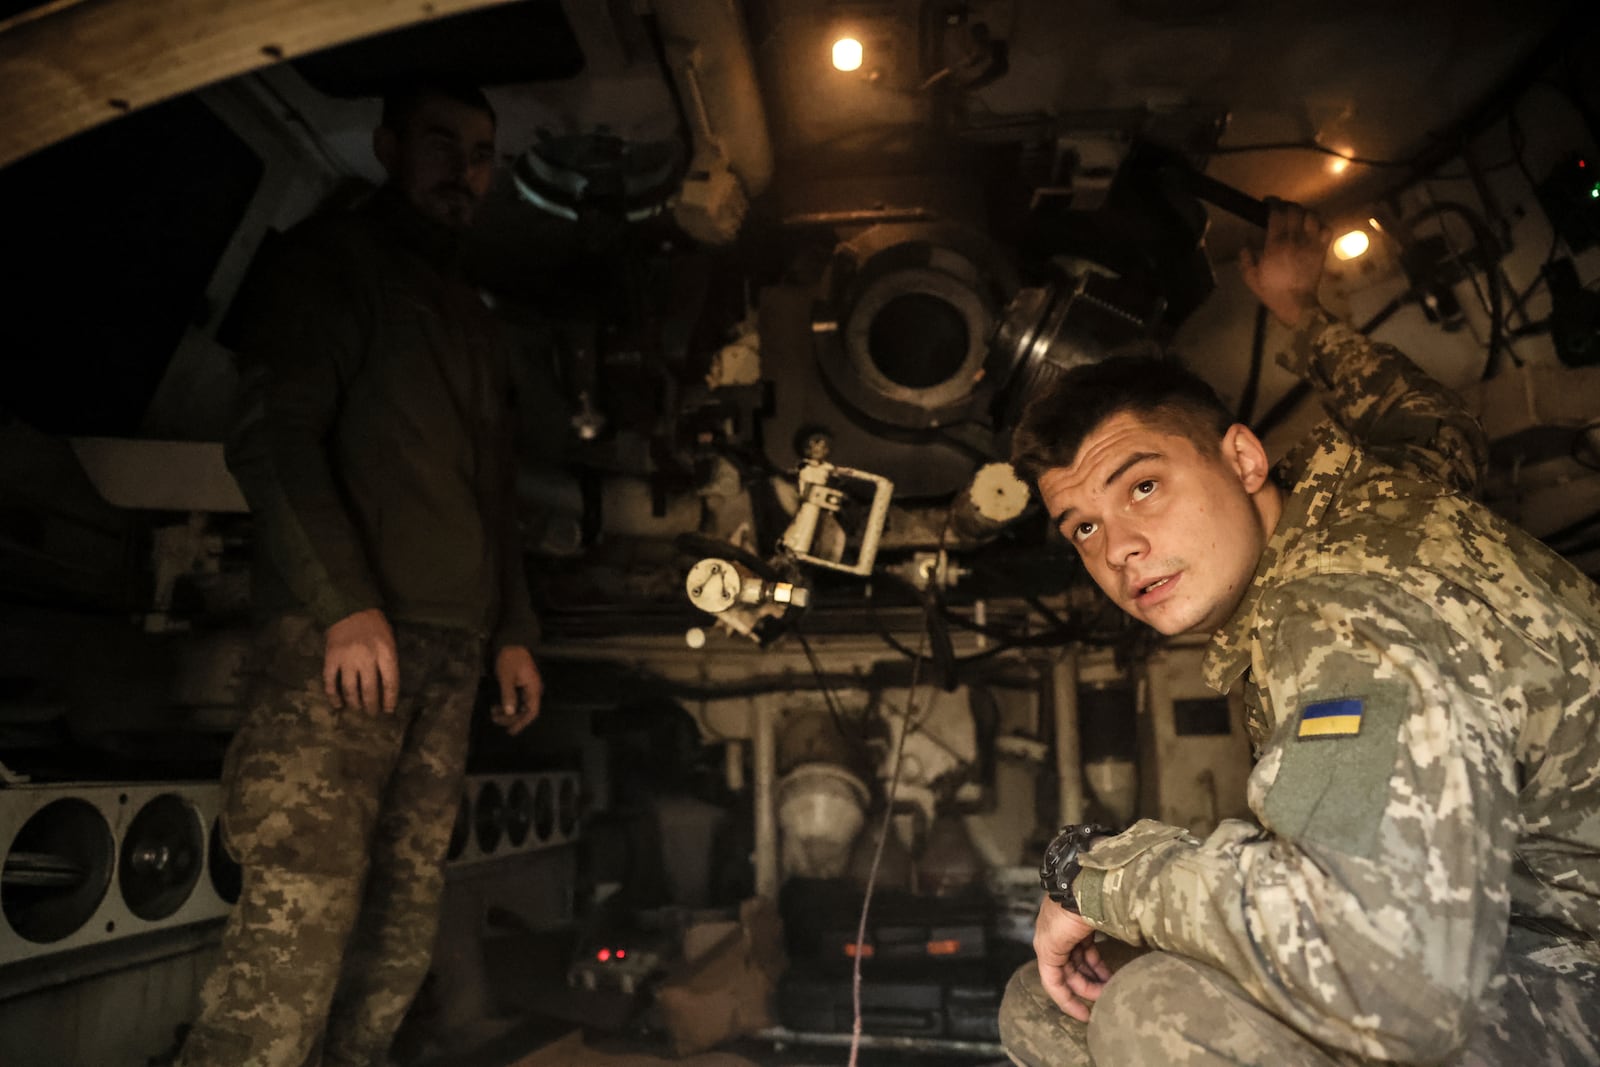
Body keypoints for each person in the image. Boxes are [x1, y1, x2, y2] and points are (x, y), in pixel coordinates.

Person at [998, 201, 1600, 1066]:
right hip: (1508, 935)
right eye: (1083, 528)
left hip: (1566, 960)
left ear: (1243, 460)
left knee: (1149, 1007)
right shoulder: (1374, 497)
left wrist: (1097, 872)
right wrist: (1304, 316)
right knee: (1052, 1008)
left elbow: (1388, 978)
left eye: (1141, 488)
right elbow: (1437, 424)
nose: (1121, 548)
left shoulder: (1334, 615)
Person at [180, 81, 544, 1067]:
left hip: (449, 647)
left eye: (478, 151)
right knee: (298, 924)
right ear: (388, 144)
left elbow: (491, 487)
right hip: (344, 641)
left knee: (396, 928)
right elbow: (272, 439)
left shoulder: (466, 311)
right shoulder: (330, 266)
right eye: (439, 142)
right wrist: (345, 605)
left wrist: (511, 627)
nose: (460, 169)